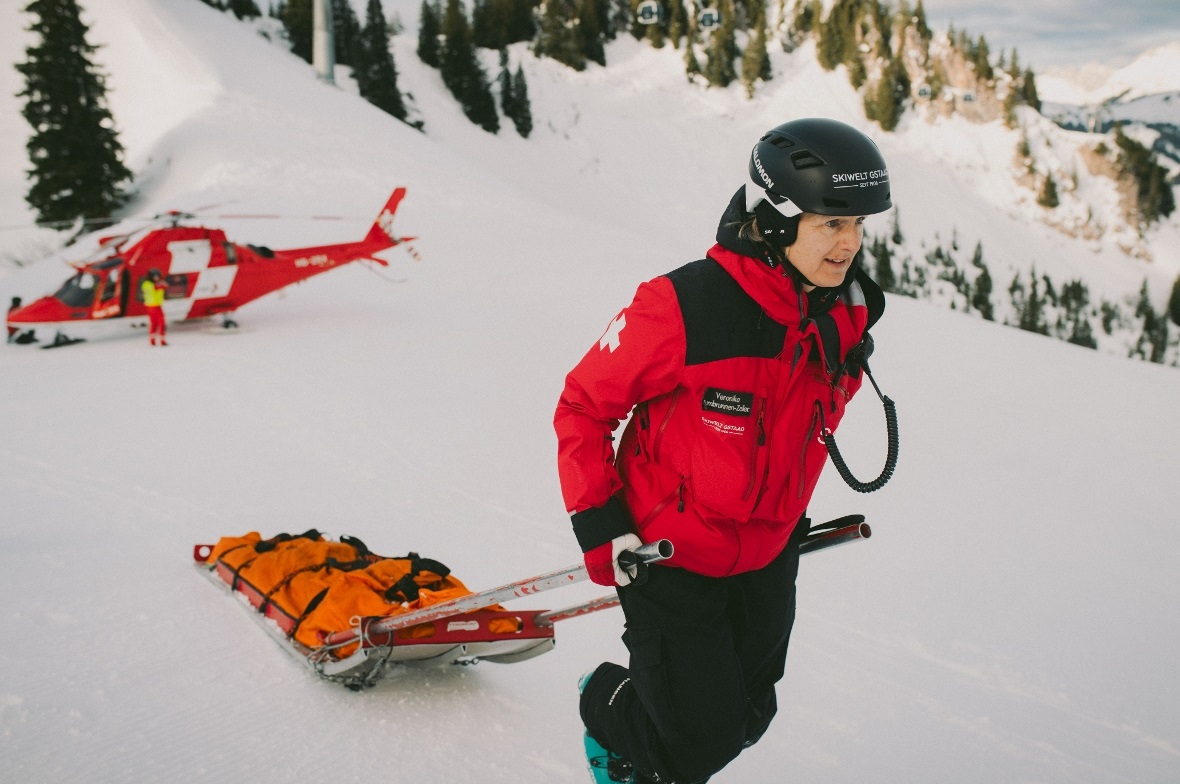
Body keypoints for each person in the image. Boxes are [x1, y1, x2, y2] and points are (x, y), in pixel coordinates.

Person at [554, 118, 893, 784]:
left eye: (857, 224)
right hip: (668, 553)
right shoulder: (684, 306)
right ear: (777, 217)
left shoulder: (845, 314)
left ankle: (661, 733)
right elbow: (582, 407)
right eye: (831, 224)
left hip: (768, 549)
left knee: (749, 715)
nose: (850, 243)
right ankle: (605, 703)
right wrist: (604, 532)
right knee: (696, 743)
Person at [141, 268, 167, 346]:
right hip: (156, 306)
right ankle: (162, 340)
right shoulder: (154, 285)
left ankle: (152, 339)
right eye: (156, 276)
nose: (158, 278)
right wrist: (162, 284)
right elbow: (162, 286)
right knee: (161, 323)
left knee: (153, 323)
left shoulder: (146, 284)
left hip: (149, 306)